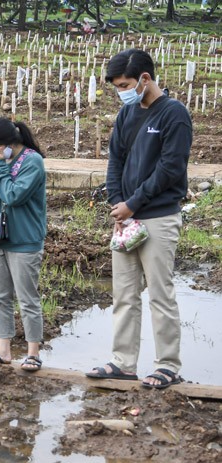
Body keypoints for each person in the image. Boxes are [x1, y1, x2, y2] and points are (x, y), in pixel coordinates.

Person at [86, 49, 192, 389]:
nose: (123, 91)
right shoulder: (126, 113)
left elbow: (170, 169)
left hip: (158, 216)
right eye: (118, 86)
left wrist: (134, 203)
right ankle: (123, 362)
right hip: (125, 218)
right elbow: (114, 160)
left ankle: (167, 366)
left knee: (160, 294)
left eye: (126, 84)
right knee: (124, 294)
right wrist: (117, 203)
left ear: (145, 79)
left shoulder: (174, 115)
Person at [0, 117, 47, 371]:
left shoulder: (32, 162)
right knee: (0, 296)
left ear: (6, 144)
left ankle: (33, 352)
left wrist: (0, 168)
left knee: (28, 299)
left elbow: (13, 196)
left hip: (24, 241)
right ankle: (3, 349)